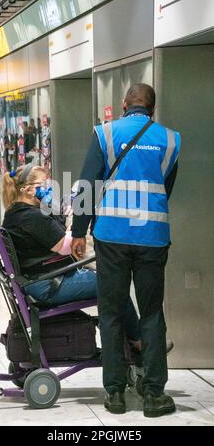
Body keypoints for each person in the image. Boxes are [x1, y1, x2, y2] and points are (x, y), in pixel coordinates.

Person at [71, 83, 181, 417]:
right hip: (152, 236)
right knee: (151, 313)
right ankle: (153, 394)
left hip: (112, 236)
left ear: (123, 105)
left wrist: (78, 231)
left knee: (112, 311)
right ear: (153, 109)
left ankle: (115, 393)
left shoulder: (105, 134)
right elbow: (166, 187)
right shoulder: (170, 139)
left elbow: (88, 183)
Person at [1, 164, 141, 341]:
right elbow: (67, 247)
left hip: (38, 280)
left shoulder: (16, 213)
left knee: (111, 279)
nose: (49, 188)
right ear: (28, 190)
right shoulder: (32, 217)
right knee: (115, 282)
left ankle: (126, 341)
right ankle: (136, 341)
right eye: (43, 184)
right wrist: (76, 219)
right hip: (47, 285)